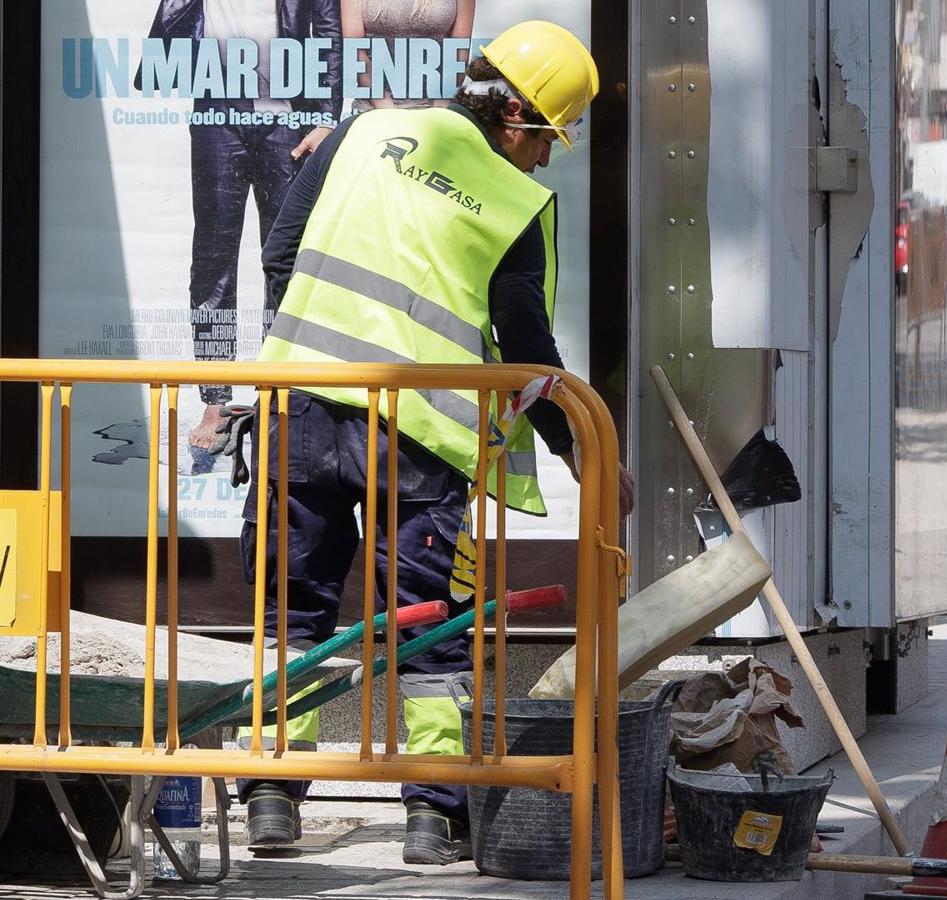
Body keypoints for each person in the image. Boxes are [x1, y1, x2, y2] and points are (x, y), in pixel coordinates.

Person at [233, 21, 634, 864]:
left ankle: (270, 794)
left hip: (301, 408)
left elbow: (280, 255)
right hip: (420, 439)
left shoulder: (361, 133)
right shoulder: (517, 203)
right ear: (521, 122)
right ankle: (432, 815)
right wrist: (579, 447)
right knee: (424, 623)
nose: (548, 161)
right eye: (551, 141)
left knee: (291, 609)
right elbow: (527, 344)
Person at [137, 0, 344, 455]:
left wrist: (327, 117)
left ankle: (275, 390)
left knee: (285, 260)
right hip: (219, 118)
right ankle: (215, 397)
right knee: (213, 259)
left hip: (289, 121)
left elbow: (329, 32)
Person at [343, 0, 475, 110]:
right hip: (374, 108)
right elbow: (356, 51)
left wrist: (439, 109)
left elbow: (459, 51)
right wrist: (387, 111)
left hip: (438, 108)